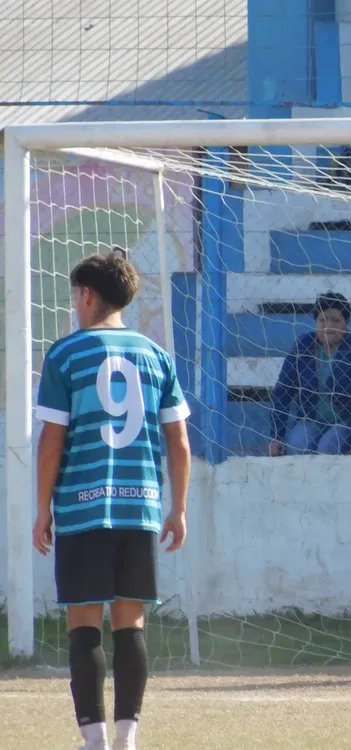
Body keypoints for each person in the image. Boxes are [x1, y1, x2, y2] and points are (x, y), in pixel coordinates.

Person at [32, 250, 192, 750]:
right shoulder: (156, 355)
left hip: (82, 510)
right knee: (131, 622)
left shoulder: (65, 354)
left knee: (84, 621)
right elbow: (179, 442)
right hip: (139, 507)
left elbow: (51, 441)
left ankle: (94, 740)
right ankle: (128, 737)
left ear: (86, 295)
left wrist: (43, 510)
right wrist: (178, 508)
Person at [268, 292, 351, 457]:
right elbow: (283, 391)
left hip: (347, 421)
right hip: (313, 419)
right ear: (316, 322)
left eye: (335, 320)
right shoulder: (303, 345)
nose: (328, 326)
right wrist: (276, 436)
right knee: (298, 445)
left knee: (327, 448)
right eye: (323, 320)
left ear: (346, 322)